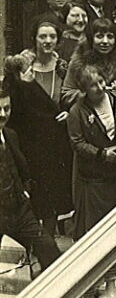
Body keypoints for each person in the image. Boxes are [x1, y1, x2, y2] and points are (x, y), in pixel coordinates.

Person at [4, 36, 74, 238]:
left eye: (52, 36)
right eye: (42, 36)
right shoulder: (21, 72)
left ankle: (48, 238)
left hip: (52, 140)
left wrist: (68, 113)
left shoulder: (63, 68)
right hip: (31, 142)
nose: (48, 40)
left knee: (51, 194)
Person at [0, 86, 62, 274]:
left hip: (19, 212)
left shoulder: (10, 135)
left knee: (49, 249)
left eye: (6, 108)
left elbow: (22, 170)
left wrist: (25, 191)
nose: (2, 114)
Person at [66, 64, 116, 238]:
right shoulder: (77, 111)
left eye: (101, 81)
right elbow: (77, 143)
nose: (100, 87)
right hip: (95, 180)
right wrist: (102, 154)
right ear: (84, 89)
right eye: (93, 85)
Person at [61, 18, 116, 108]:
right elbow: (66, 95)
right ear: (91, 39)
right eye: (99, 36)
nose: (105, 41)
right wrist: (91, 94)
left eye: (110, 37)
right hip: (87, 112)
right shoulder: (79, 62)